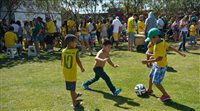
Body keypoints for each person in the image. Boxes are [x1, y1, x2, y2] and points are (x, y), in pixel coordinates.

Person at [142, 28, 186, 102]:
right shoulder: (161, 40)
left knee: (156, 82)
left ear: (155, 37)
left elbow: (159, 58)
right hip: (157, 64)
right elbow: (169, 47)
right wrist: (180, 53)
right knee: (151, 76)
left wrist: (147, 61)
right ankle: (149, 90)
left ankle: (166, 95)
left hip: (161, 66)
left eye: (151, 39)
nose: (150, 41)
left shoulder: (159, 46)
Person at [61, 34, 85, 108]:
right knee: (72, 89)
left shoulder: (63, 51)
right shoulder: (75, 51)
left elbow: (62, 61)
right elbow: (78, 61)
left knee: (72, 88)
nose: (76, 43)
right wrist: (82, 68)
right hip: (71, 73)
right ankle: (74, 103)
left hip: (66, 72)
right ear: (70, 42)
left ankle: (76, 95)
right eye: (75, 42)